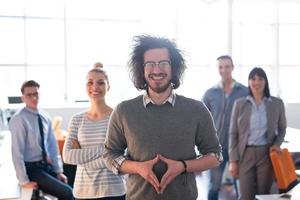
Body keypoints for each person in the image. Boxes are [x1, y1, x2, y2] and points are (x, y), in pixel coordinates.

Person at [103, 35, 222, 200]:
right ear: (141, 69)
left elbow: (215, 156)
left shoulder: (196, 109)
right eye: (150, 64)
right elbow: (110, 155)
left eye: (163, 63)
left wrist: (183, 166)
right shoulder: (124, 111)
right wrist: (138, 167)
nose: (157, 70)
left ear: (174, 68)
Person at [63, 66, 126, 200]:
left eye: (101, 82)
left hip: (113, 191)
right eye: (90, 82)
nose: (95, 87)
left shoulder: (118, 117)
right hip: (83, 191)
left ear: (108, 86)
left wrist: (82, 158)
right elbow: (67, 156)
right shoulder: (77, 119)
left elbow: (123, 155)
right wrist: (108, 150)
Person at [228, 67, 287, 200]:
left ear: (265, 82)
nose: (257, 82)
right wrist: (233, 160)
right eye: (253, 79)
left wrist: (277, 144)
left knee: (264, 194)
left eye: (260, 79)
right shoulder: (239, 104)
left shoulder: (276, 103)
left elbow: (282, 128)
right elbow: (233, 133)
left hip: (266, 154)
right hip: (245, 154)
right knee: (245, 195)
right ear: (249, 82)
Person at [9, 80, 73, 200]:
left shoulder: (45, 117)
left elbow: (52, 146)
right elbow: (17, 153)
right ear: (23, 98)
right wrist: (24, 181)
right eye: (29, 95)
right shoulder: (19, 119)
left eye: (36, 94)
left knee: (73, 186)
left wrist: (58, 171)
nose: (34, 97)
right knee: (68, 193)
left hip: (45, 165)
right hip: (31, 169)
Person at [202, 55, 248, 200]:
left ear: (232, 68)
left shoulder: (245, 91)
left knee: (241, 188)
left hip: (238, 148)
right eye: (220, 67)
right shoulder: (210, 93)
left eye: (227, 66)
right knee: (213, 186)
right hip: (216, 148)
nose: (224, 70)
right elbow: (202, 121)